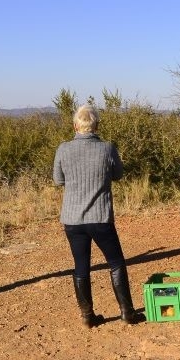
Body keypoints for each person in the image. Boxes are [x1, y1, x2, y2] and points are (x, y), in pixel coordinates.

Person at [53, 105, 138, 327]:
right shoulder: (107, 148)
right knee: (116, 262)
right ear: (96, 126)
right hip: (100, 217)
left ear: (75, 126)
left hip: (72, 219)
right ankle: (127, 312)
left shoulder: (63, 149)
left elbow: (58, 180)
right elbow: (118, 174)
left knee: (81, 266)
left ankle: (87, 316)